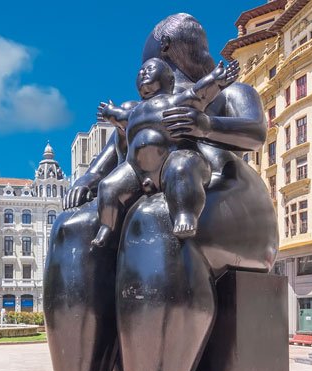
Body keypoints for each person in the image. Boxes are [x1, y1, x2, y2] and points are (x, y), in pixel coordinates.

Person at [32, 13, 278, 371]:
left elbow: (255, 134)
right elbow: (113, 153)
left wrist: (204, 127)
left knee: (155, 217)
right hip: (161, 191)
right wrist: (89, 176)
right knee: (72, 230)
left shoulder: (227, 91)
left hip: (231, 204)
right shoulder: (148, 104)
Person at [92, 58, 235, 246]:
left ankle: (185, 214)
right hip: (136, 171)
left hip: (171, 158)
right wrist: (109, 111)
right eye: (140, 71)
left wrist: (215, 80)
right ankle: (107, 227)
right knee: (108, 186)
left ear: (169, 80)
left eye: (150, 69)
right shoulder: (134, 112)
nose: (143, 73)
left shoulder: (175, 100)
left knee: (182, 168)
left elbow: (198, 93)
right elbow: (118, 117)